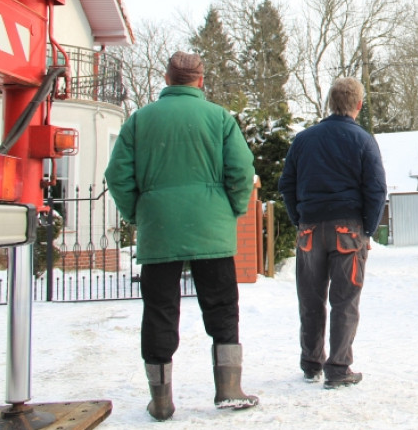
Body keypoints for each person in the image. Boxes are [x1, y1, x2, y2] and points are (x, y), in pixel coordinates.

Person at [105, 51, 258, 421]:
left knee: (159, 311)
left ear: (167, 78)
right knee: (222, 306)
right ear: (201, 80)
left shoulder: (140, 121)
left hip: (159, 230)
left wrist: (140, 213)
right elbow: (241, 172)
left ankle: (160, 400)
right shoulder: (219, 118)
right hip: (211, 229)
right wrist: (230, 211)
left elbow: (118, 176)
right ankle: (229, 388)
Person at [278, 77, 386, 389]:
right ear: (359, 104)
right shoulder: (363, 140)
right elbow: (376, 189)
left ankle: (312, 364)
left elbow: (286, 184)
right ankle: (338, 367)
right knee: (345, 300)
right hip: (347, 230)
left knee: (310, 299)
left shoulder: (304, 140)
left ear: (330, 103)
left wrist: (299, 218)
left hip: (310, 228)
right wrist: (367, 229)